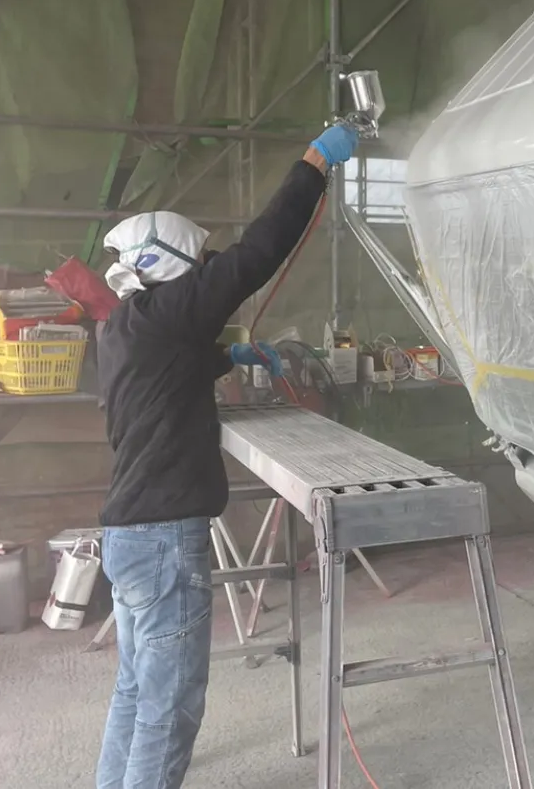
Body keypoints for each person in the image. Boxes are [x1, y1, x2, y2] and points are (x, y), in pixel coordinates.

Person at [93, 123, 358, 789]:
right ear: (170, 267)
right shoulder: (170, 310)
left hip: (128, 536)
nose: (210, 272)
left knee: (136, 691)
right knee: (169, 711)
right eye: (201, 264)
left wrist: (227, 356)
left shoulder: (124, 325)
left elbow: (166, 370)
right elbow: (258, 252)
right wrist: (313, 165)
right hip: (162, 541)